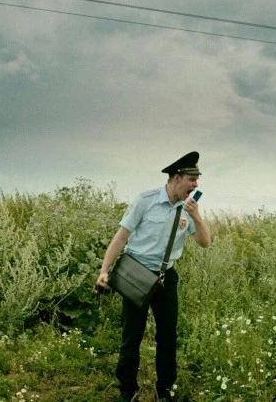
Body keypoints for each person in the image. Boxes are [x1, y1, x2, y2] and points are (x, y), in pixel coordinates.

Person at [96, 151, 212, 402]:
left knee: (168, 336)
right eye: (192, 179)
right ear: (177, 177)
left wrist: (196, 215)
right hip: (136, 273)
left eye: (197, 179)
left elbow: (205, 242)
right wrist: (104, 270)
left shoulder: (188, 208)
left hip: (166, 277)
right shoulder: (145, 201)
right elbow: (121, 237)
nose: (196, 185)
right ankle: (127, 390)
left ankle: (165, 390)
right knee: (132, 335)